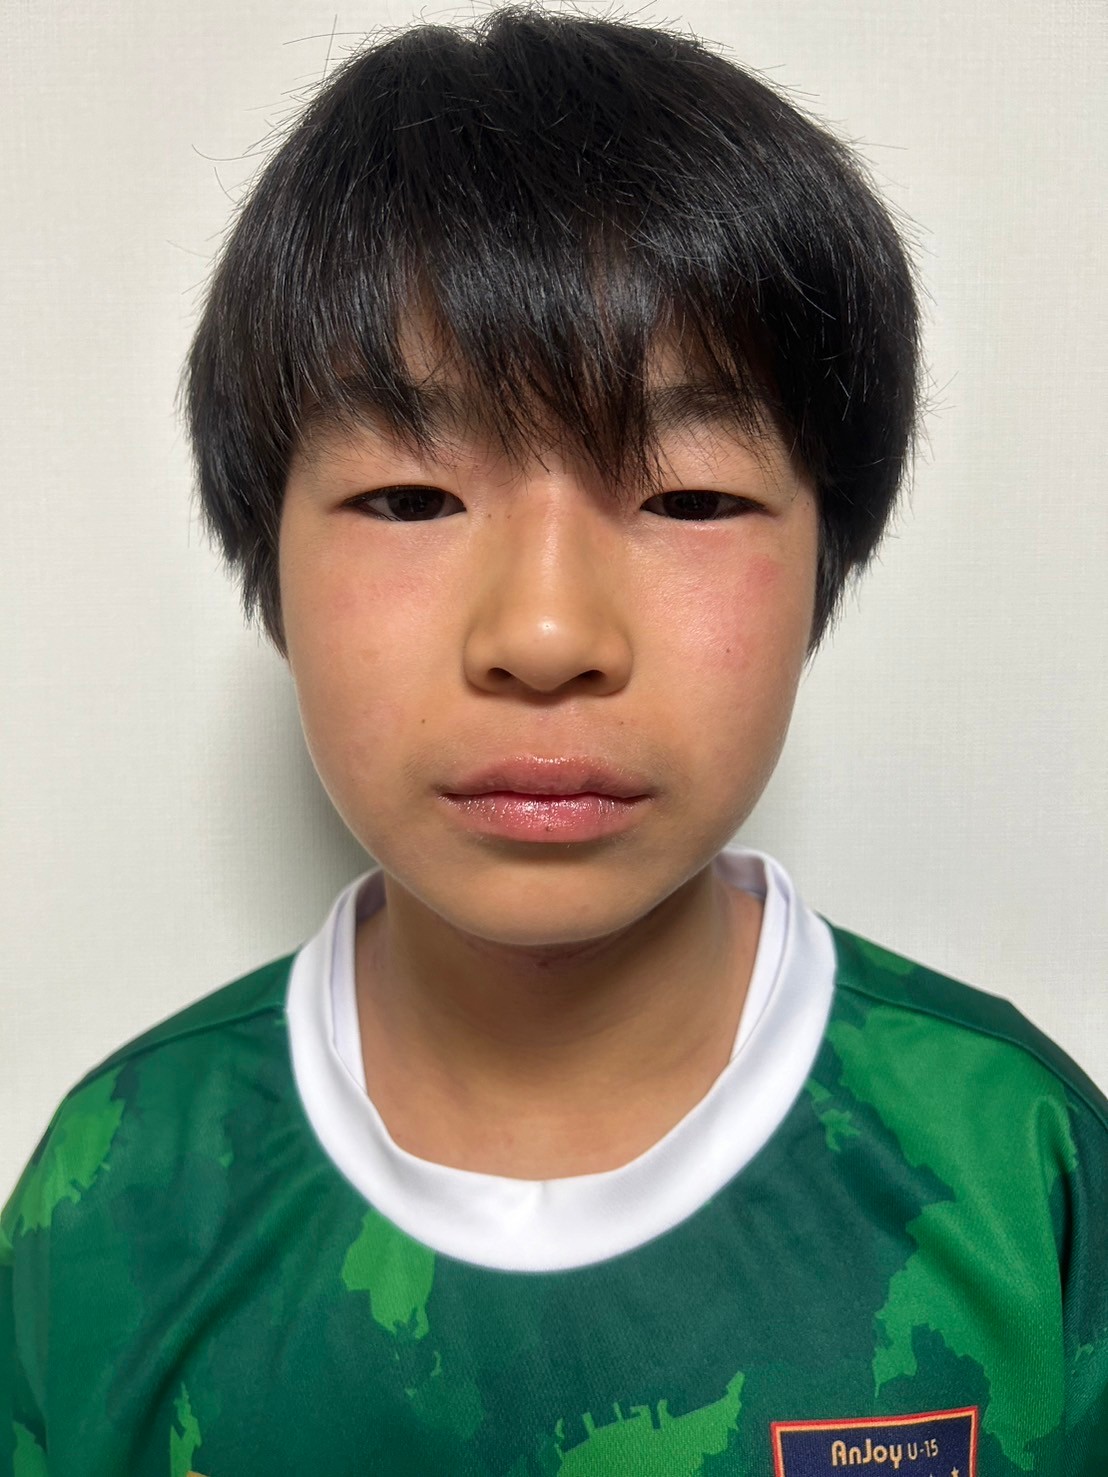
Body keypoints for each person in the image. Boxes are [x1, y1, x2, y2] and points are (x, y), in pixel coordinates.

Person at [2, 5, 1105, 1472]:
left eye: (689, 497)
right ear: (267, 552)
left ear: (826, 556)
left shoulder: (1018, 1167)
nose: (542, 633)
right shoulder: (121, 1195)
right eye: (410, 498)